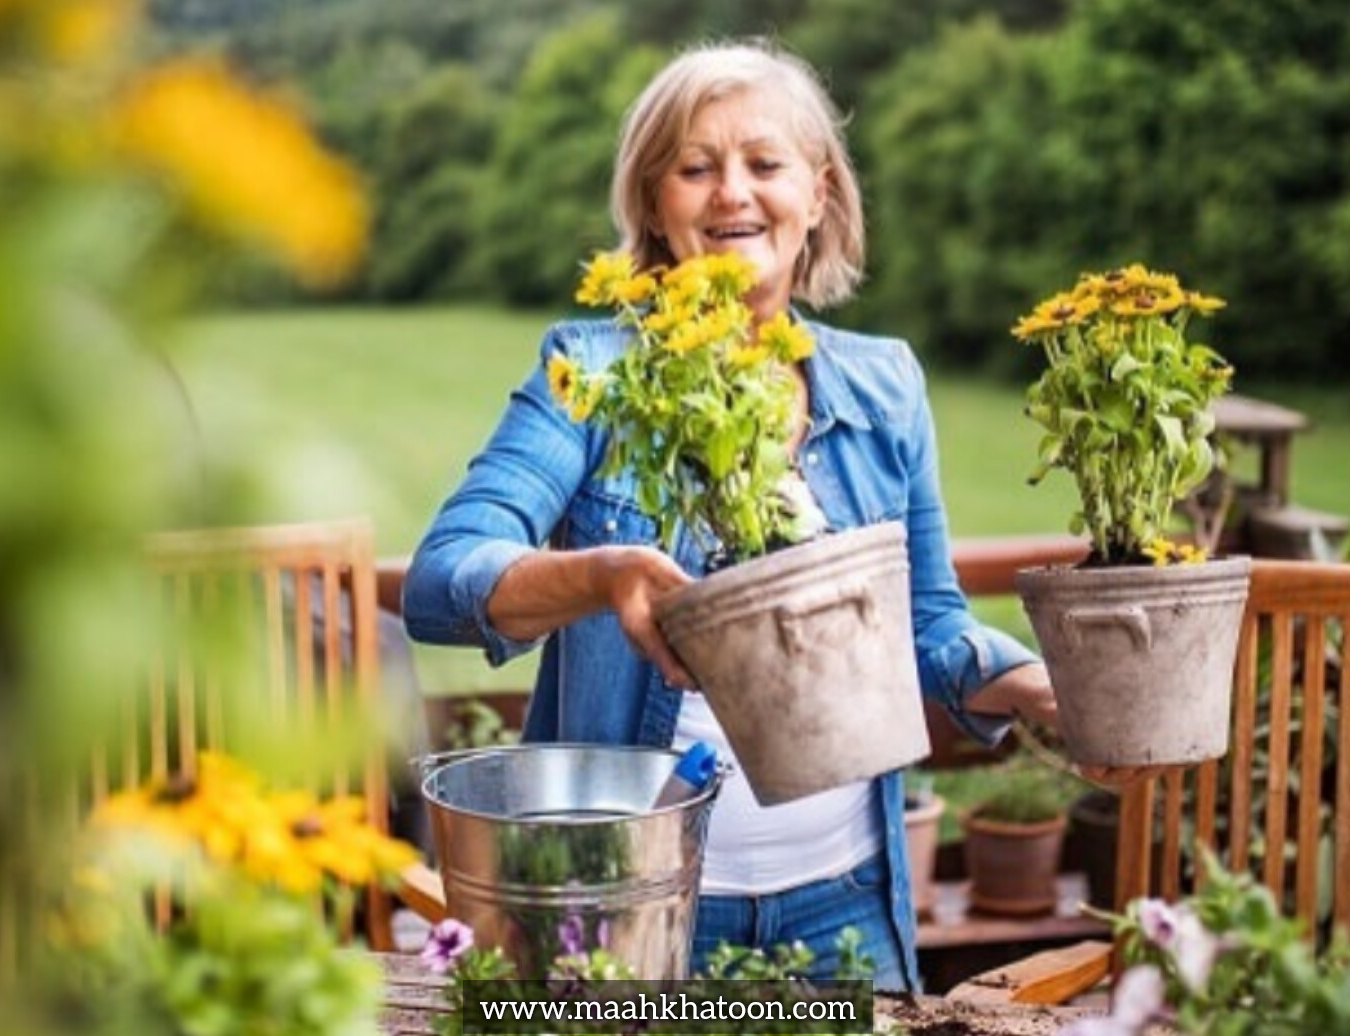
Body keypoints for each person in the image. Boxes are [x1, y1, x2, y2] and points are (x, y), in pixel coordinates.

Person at [402, 40, 1063, 992]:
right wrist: (603, 576)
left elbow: (925, 623)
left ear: (819, 194)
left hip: (847, 903)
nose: (732, 194)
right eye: (695, 168)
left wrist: (1035, 687)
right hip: (639, 909)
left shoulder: (886, 387)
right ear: (653, 204)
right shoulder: (590, 374)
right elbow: (441, 579)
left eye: (764, 163)